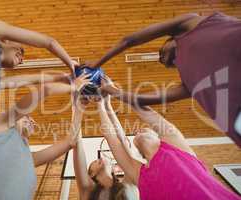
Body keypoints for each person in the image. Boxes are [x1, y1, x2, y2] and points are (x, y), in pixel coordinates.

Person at [91, 12, 241, 147]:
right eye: (168, 64)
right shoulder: (188, 83)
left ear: (171, 39)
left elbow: (130, 40)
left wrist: (97, 63)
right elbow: (140, 100)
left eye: (160, 53)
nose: (161, 60)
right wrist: (110, 89)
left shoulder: (191, 24)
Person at [0, 73, 90, 200]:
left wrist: (79, 108)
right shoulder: (0, 126)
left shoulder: (29, 158)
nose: (32, 120)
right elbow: (46, 89)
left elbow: (71, 141)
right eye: (26, 116)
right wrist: (72, 86)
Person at [96, 83, 241, 199]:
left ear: (158, 136)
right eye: (137, 135)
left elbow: (147, 113)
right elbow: (113, 138)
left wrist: (114, 91)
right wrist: (101, 104)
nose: (137, 131)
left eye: (143, 129)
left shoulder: (178, 148)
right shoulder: (139, 175)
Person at [71, 92, 139, 200]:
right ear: (91, 175)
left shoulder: (128, 184)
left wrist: (107, 106)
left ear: (113, 168)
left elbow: (123, 141)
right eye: (94, 162)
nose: (99, 159)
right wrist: (76, 108)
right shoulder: (87, 190)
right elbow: (77, 144)